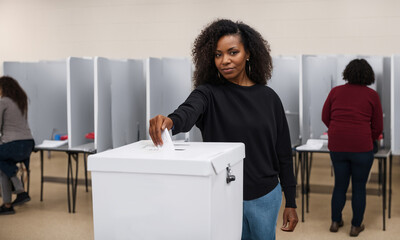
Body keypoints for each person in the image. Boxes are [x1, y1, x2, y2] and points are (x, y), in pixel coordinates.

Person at [149, 19, 298, 239]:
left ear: (248, 53)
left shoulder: (269, 98)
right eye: (218, 54)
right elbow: (188, 111)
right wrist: (171, 121)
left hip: (265, 195)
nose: (224, 61)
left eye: (233, 52)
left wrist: (291, 201)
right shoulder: (208, 94)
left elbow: (283, 153)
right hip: (224, 195)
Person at [322, 59, 383, 237]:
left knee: (339, 185)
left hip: (338, 147)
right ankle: (356, 226)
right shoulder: (372, 95)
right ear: (368, 75)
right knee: (359, 187)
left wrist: (336, 130)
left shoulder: (335, 92)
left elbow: (325, 116)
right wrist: (368, 138)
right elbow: (378, 126)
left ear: (347, 73)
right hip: (362, 148)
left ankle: (335, 222)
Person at [0, 76, 35, 215]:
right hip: (27, 145)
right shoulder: (21, 101)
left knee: (4, 164)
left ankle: (20, 190)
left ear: (4, 88)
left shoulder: (3, 102)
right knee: (3, 169)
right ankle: (7, 205)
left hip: (13, 145)